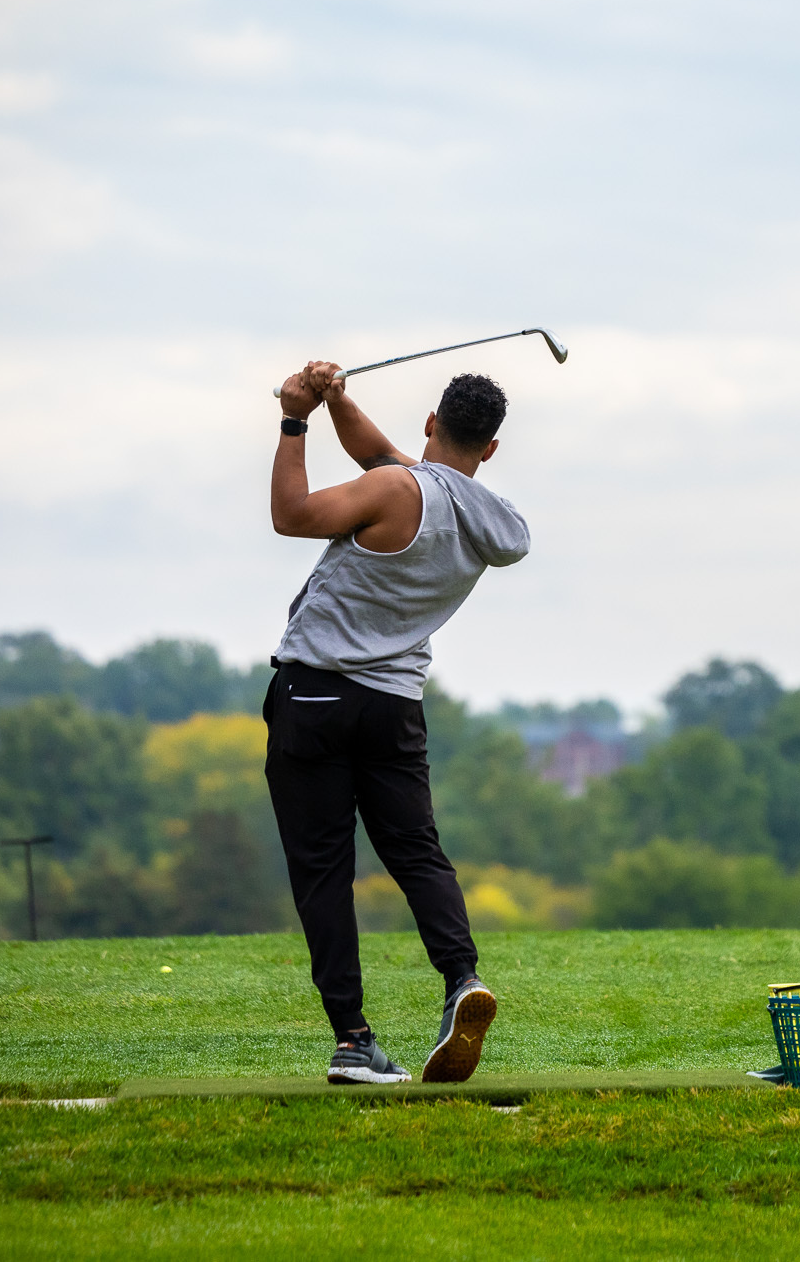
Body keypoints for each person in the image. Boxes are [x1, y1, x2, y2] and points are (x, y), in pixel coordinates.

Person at [266, 360, 529, 1084]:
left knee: (323, 871)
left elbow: (291, 515)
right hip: (394, 706)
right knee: (417, 852)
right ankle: (462, 977)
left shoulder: (393, 488)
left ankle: (354, 1040)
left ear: (432, 422)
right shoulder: (492, 521)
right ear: (491, 448)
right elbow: (385, 457)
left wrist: (295, 419)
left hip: (316, 694)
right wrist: (339, 400)